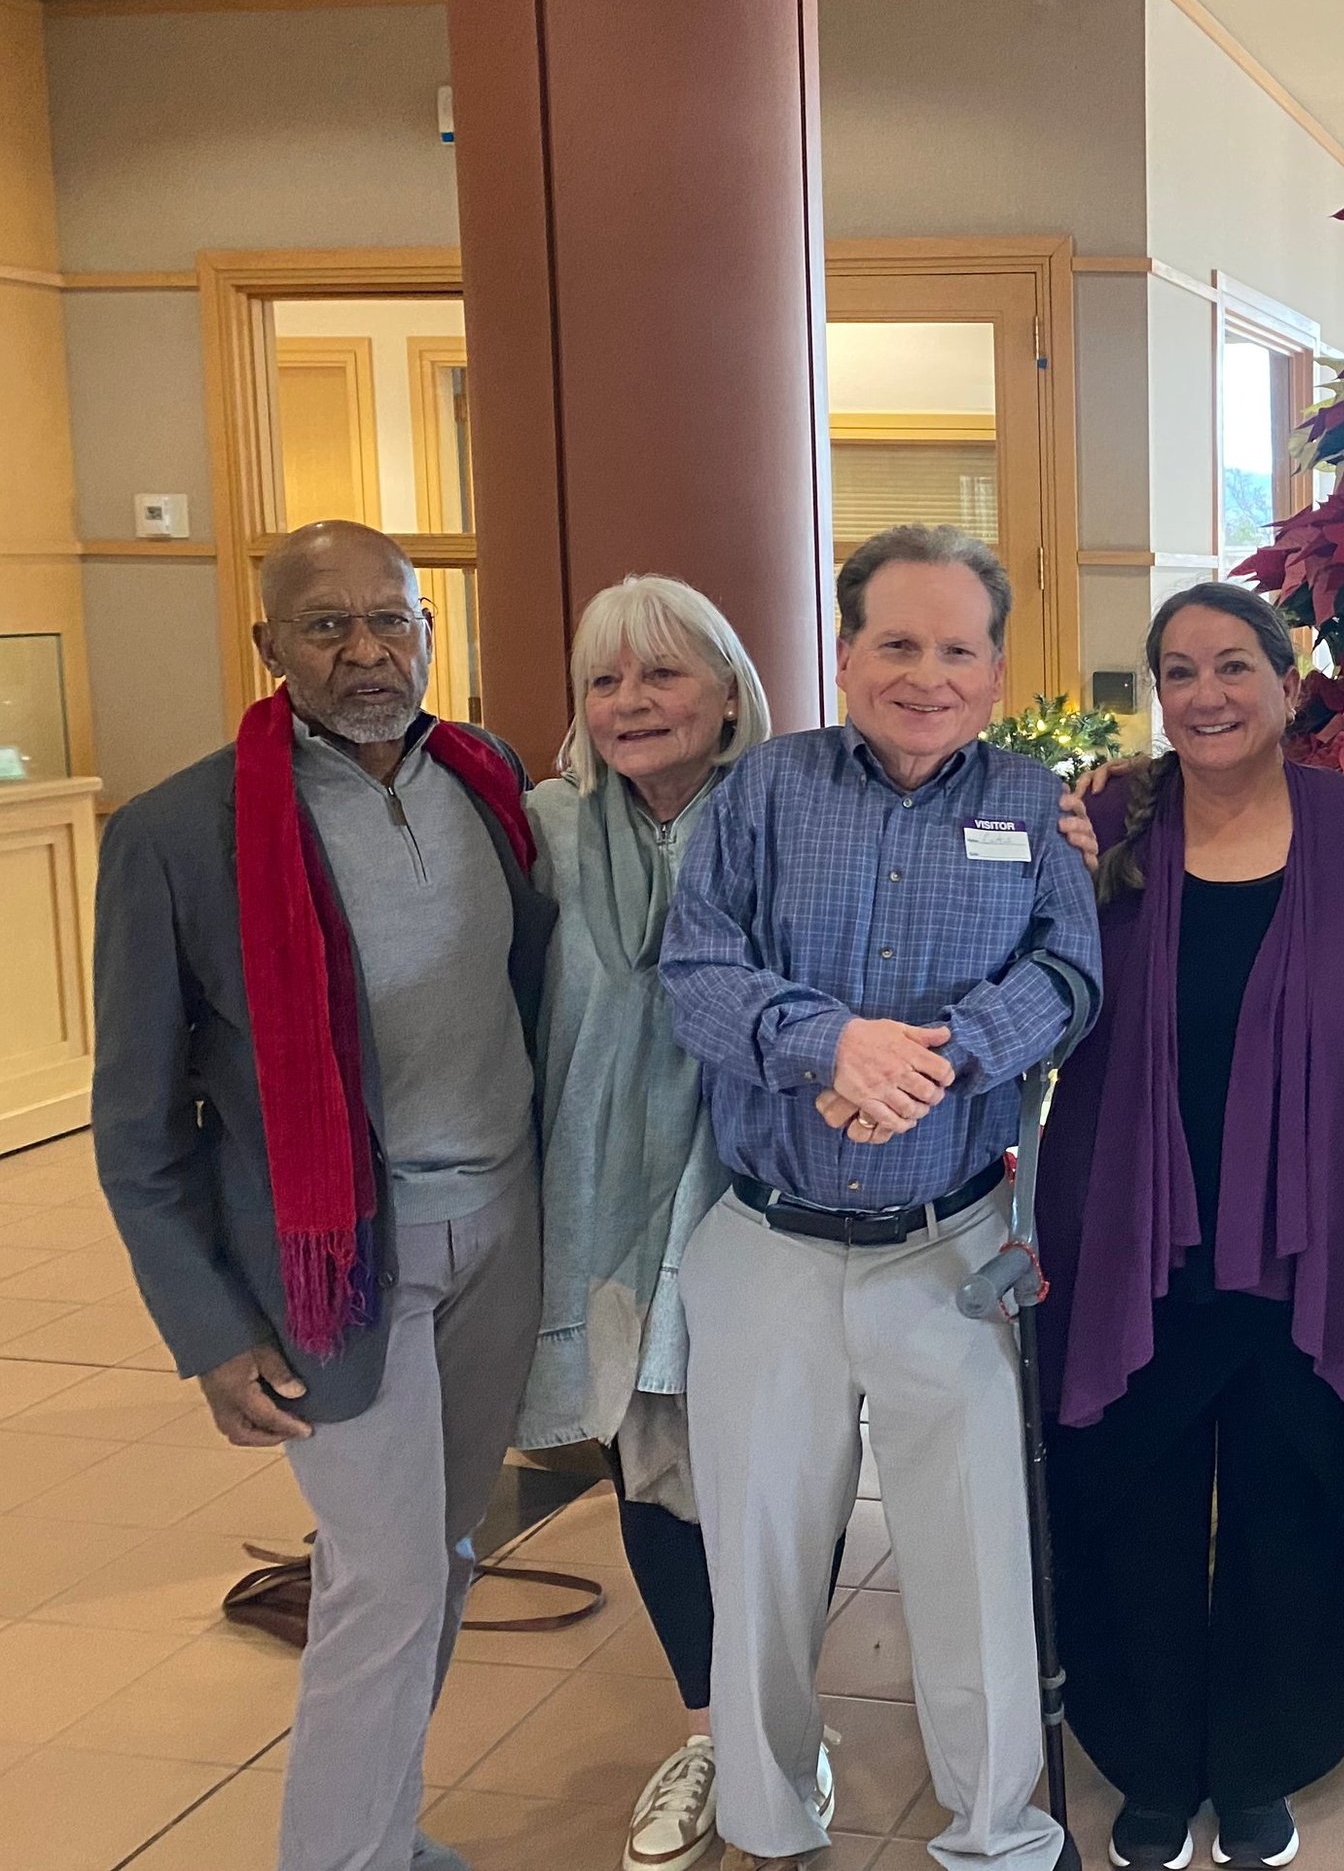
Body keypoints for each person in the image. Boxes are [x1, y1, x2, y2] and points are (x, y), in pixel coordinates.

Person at [93, 520, 553, 1871]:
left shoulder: (488, 779)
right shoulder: (179, 834)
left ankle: (381, 1833)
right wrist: (208, 1329)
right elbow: (138, 1125)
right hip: (330, 1263)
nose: (366, 651)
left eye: (390, 619)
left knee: (443, 1552)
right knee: (387, 1578)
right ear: (270, 645)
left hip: (499, 1228)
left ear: (428, 633)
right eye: (327, 624)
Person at [661, 522, 1101, 1871]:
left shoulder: (1031, 804)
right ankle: (766, 1819)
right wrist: (830, 1045)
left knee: (974, 1565)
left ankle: (998, 1832)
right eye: (897, 643)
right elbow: (696, 974)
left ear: (996, 668)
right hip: (769, 1245)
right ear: (845, 651)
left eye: (958, 649)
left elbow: (1071, 975)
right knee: (761, 1562)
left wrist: (944, 1055)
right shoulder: (762, 792)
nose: (928, 675)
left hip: (948, 1246)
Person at [1032, 581, 1344, 1871]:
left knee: (1288, 1500)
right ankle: (1149, 1762)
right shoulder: (1103, 825)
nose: (1207, 694)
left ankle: (1260, 1759)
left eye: (1234, 666)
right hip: (1135, 1228)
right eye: (1180, 671)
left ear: (1287, 686)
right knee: (1130, 1497)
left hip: (1309, 1236)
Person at [512, 575, 778, 1871]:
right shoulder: (541, 830)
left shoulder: (794, 816)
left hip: (763, 1198)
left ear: (729, 693)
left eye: (663, 672)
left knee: (780, 1467)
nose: (631, 701)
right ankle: (712, 1730)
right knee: (654, 1460)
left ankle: (779, 1723)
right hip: (608, 1202)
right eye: (606, 679)